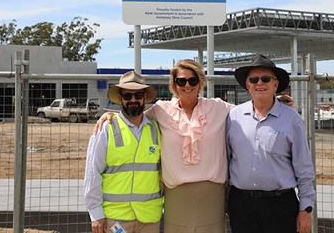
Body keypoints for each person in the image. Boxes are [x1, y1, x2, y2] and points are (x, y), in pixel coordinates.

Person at [94, 59, 295, 233]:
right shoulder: (161, 110)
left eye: (192, 80)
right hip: (176, 196)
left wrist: (272, 99)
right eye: (181, 81)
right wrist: (110, 115)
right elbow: (134, 117)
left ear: (200, 83)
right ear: (174, 84)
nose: (187, 85)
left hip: (212, 195)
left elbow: (250, 112)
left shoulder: (217, 107)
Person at [226, 54, 316, 233]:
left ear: (275, 85)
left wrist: (306, 210)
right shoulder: (233, 117)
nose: (260, 83)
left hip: (280, 205)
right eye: (254, 79)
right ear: (248, 85)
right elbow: (226, 161)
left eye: (266, 79)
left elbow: (304, 168)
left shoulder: (292, 119)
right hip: (241, 205)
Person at [83, 71, 163, 233]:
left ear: (144, 97)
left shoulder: (157, 128)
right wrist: (96, 214)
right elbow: (92, 173)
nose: (133, 100)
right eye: (127, 96)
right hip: (115, 218)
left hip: (149, 219)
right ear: (119, 98)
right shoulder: (106, 128)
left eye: (138, 95)